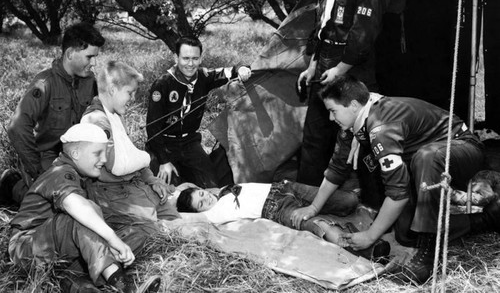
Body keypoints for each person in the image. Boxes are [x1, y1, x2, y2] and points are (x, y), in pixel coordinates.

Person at [291, 75, 500, 285]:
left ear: (353, 105)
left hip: (462, 148)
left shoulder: (380, 126)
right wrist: (314, 207)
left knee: (427, 157)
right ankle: (489, 218)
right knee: (407, 233)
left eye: (333, 110)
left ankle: (428, 259)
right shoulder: (355, 124)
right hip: (428, 161)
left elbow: (398, 194)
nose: (329, 118)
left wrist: (371, 236)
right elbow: (337, 169)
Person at [8, 123, 158, 293]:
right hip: (26, 248)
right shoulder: (59, 172)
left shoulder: (82, 177)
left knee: (134, 233)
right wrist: (112, 239)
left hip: (54, 255)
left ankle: (87, 282)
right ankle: (124, 286)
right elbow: (76, 206)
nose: (104, 159)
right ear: (76, 154)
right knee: (83, 218)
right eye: (97, 153)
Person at [296, 0, 384, 186]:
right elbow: (322, 27)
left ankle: (371, 202)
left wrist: (340, 69)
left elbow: (363, 36)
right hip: (325, 65)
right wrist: (313, 65)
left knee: (361, 136)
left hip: (351, 69)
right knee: (314, 134)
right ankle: (305, 193)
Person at [2, 22, 105, 205]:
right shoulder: (44, 83)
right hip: (46, 156)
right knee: (56, 206)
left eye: (95, 57)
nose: (94, 63)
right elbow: (17, 128)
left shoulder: (90, 81)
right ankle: (13, 185)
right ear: (70, 54)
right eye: (89, 57)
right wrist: (38, 171)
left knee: (100, 195)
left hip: (77, 154)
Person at [174, 180, 390, 262]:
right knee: (317, 225)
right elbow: (178, 215)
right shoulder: (213, 215)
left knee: (348, 200)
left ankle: (361, 212)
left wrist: (193, 190)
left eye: (202, 193)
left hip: (283, 187)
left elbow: (188, 185)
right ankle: (366, 248)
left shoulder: (220, 191)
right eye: (202, 202)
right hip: (275, 208)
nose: (207, 198)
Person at [81, 60, 179, 224]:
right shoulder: (98, 121)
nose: (133, 98)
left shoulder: (116, 116)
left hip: (133, 185)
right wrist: (144, 161)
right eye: (129, 92)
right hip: (114, 193)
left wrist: (152, 180)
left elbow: (130, 153)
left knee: (174, 219)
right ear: (113, 90)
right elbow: (119, 166)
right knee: (155, 234)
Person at [146, 36, 251, 188]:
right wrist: (163, 161)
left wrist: (241, 68)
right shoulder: (162, 84)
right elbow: (152, 128)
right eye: (185, 58)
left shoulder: (204, 76)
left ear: (201, 58)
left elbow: (230, 71)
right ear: (176, 57)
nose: (190, 64)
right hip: (163, 144)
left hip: (190, 142)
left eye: (195, 58)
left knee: (212, 187)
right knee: (170, 190)